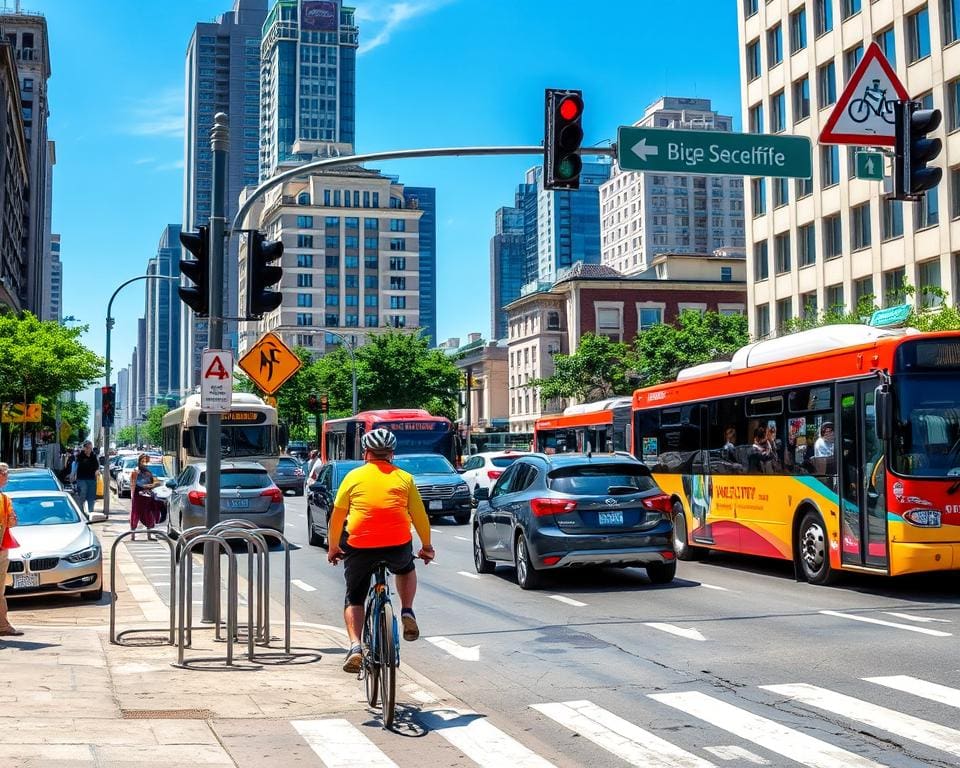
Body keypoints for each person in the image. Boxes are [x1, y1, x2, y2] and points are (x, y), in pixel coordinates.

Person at [326, 428, 435, 674]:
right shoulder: (404, 478)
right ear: (391, 454)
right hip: (397, 544)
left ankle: (355, 646)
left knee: (354, 596)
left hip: (360, 545)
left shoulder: (353, 477)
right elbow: (419, 517)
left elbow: (336, 518)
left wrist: (334, 547)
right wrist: (426, 547)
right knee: (406, 568)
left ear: (366, 453)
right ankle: (407, 610)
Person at [0, 462, 23, 636]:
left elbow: (11, 521)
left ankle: (3, 625)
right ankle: (2, 626)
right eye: (6, 475)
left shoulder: (5, 499)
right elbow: (12, 521)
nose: (7, 478)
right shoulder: (4, 499)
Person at [129, 454, 160, 534]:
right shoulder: (135, 471)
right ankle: (133, 534)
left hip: (147, 496)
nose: (144, 463)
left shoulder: (148, 472)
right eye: (143, 461)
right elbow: (135, 484)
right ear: (139, 462)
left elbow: (153, 482)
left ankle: (149, 534)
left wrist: (154, 485)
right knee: (135, 514)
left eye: (146, 461)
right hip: (138, 496)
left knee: (148, 514)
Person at [70, 441, 100, 517]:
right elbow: (75, 466)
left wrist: (97, 471)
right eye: (89, 448)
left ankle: (91, 514)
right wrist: (72, 476)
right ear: (85, 448)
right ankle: (81, 514)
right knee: (82, 495)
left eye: (91, 448)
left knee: (91, 498)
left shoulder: (93, 456)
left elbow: (97, 466)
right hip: (81, 479)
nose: (90, 450)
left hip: (92, 480)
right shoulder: (80, 456)